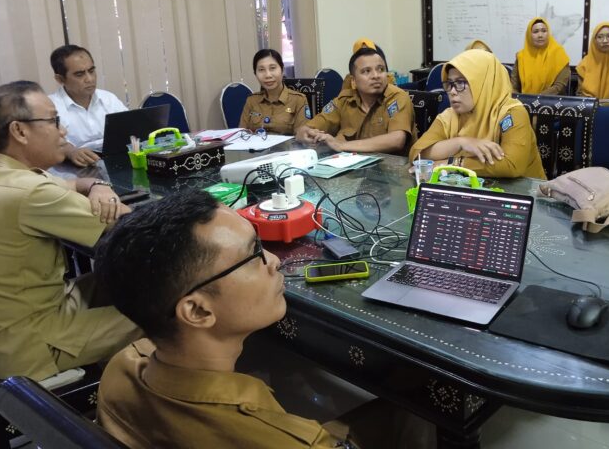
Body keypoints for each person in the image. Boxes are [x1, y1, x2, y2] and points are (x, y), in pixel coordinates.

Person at [95, 190, 433, 449]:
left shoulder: (119, 369)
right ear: (197, 311)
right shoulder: (288, 440)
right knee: (418, 410)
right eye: (254, 253)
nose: (273, 260)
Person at [0, 81, 139, 381]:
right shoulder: (32, 191)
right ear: (19, 131)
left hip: (21, 313)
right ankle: (130, 403)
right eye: (54, 121)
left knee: (116, 281)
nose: (63, 132)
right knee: (168, 312)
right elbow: (131, 226)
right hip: (30, 339)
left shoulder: (8, 174)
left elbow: (71, 184)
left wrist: (97, 184)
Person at [409, 49, 546, 179]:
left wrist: (453, 165)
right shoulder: (451, 115)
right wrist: (460, 143)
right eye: (449, 84)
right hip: (475, 193)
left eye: (461, 83)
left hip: (524, 197)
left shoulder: (512, 112)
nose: (452, 91)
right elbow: (418, 154)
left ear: (483, 82)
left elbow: (511, 165)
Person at [296, 40, 416, 154]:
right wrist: (305, 133)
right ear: (353, 80)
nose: (376, 76)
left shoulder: (398, 97)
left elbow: (396, 140)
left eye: (381, 69)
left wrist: (341, 145)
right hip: (353, 170)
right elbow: (310, 127)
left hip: (392, 170)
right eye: (366, 71)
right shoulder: (344, 100)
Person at [48, 45, 127, 167]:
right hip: (75, 168)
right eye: (79, 74)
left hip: (114, 162)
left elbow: (130, 130)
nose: (89, 79)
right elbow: (50, 144)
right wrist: (71, 151)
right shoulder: (49, 107)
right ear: (60, 79)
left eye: (91, 71)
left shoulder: (108, 98)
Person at [238, 49, 311, 134]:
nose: (268, 75)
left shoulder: (299, 100)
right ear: (255, 73)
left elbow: (302, 135)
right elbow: (242, 134)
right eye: (261, 70)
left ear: (282, 70)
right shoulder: (252, 100)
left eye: (272, 68)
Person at [510, 17, 571, 95]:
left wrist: (536, 100)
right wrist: (519, 100)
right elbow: (513, 85)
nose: (540, 35)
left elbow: (558, 87)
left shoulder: (559, 54)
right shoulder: (521, 56)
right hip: (524, 103)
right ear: (529, 35)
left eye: (544, 31)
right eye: (535, 32)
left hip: (551, 103)